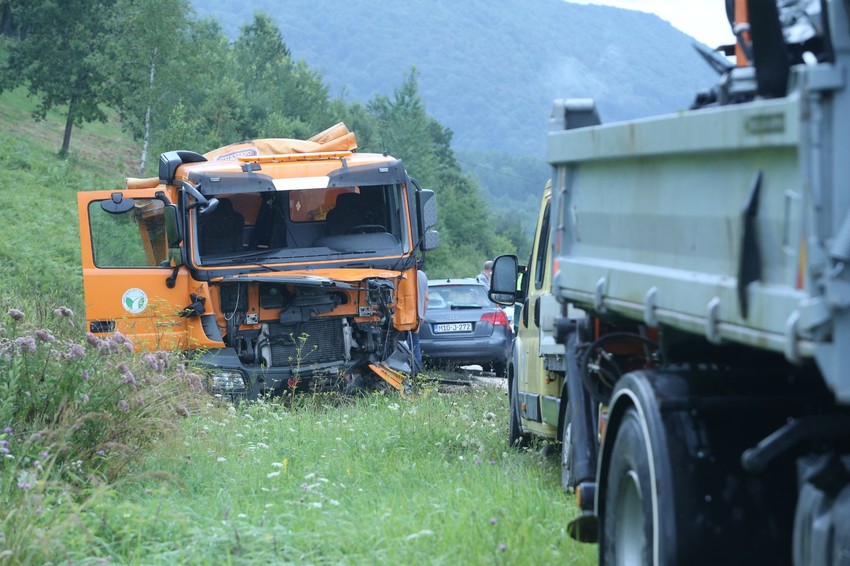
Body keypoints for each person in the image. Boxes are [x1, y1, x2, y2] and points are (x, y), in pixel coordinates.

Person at [410, 269, 429, 376]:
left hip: (402, 316)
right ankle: (417, 373)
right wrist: (422, 314)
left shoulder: (400, 272)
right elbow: (426, 298)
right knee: (415, 345)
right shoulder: (422, 275)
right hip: (417, 317)